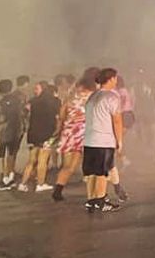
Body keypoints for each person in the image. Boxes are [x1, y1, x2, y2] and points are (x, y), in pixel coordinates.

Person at [52, 68, 98, 203]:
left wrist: (60, 128)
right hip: (86, 131)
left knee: (68, 166)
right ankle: (94, 196)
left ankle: (58, 190)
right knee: (92, 166)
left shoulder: (73, 94)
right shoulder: (95, 95)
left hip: (70, 131)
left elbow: (62, 112)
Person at [82, 68, 123, 212]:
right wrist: (119, 141)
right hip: (103, 141)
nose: (116, 81)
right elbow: (117, 121)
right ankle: (100, 201)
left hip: (88, 140)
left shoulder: (93, 96)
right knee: (102, 173)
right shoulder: (112, 97)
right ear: (111, 79)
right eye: (115, 78)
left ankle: (91, 200)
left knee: (91, 173)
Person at [17, 81, 61, 193]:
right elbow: (58, 117)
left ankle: (23, 184)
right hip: (47, 134)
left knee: (31, 160)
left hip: (33, 134)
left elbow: (24, 112)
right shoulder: (54, 102)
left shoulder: (33, 101)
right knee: (42, 160)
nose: (34, 91)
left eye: (37, 89)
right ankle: (40, 184)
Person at [0, 79, 25, 191]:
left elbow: (1, 118)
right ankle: (11, 177)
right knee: (12, 153)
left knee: (3, 154)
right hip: (17, 129)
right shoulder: (18, 99)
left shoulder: (1, 102)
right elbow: (22, 113)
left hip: (6, 130)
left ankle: (5, 179)